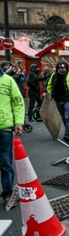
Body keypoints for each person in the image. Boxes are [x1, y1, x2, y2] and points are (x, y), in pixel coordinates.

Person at [0, 61, 24, 207]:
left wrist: (19, 122)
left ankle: (8, 193)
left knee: (6, 162)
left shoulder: (8, 80)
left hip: (4, 128)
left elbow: (18, 102)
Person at [46, 60, 69, 143]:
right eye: (60, 67)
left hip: (68, 99)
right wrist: (50, 93)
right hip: (58, 99)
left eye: (64, 67)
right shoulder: (54, 76)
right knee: (64, 117)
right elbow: (48, 85)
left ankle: (67, 134)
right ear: (57, 68)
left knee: (67, 116)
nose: (62, 69)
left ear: (66, 68)